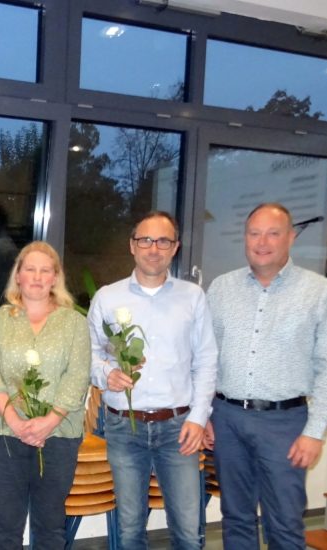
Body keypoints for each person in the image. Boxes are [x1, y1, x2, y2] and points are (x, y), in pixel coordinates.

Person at [204, 203, 327, 549]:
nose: (262, 242)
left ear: (291, 238)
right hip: (227, 419)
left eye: (273, 233)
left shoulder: (319, 291)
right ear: (245, 239)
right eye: (254, 233)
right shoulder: (222, 289)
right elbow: (206, 359)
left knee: (283, 522)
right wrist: (205, 412)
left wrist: (315, 432)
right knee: (235, 516)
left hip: (285, 423)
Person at [86, 211, 218, 550]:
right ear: (133, 245)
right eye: (146, 240)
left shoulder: (192, 297)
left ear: (174, 248)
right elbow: (88, 354)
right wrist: (106, 373)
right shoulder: (108, 297)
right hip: (123, 426)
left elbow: (206, 361)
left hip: (179, 427)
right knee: (130, 529)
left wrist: (199, 417)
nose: (154, 248)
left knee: (188, 531)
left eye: (163, 241)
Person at [0, 241, 91, 549]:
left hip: (58, 436)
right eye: (30, 269)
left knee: (51, 526)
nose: (38, 277)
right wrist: (16, 422)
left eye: (46, 270)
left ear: (56, 277)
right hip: (4, 433)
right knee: (6, 526)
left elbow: (78, 377)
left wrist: (48, 422)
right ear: (18, 276)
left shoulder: (75, 323)